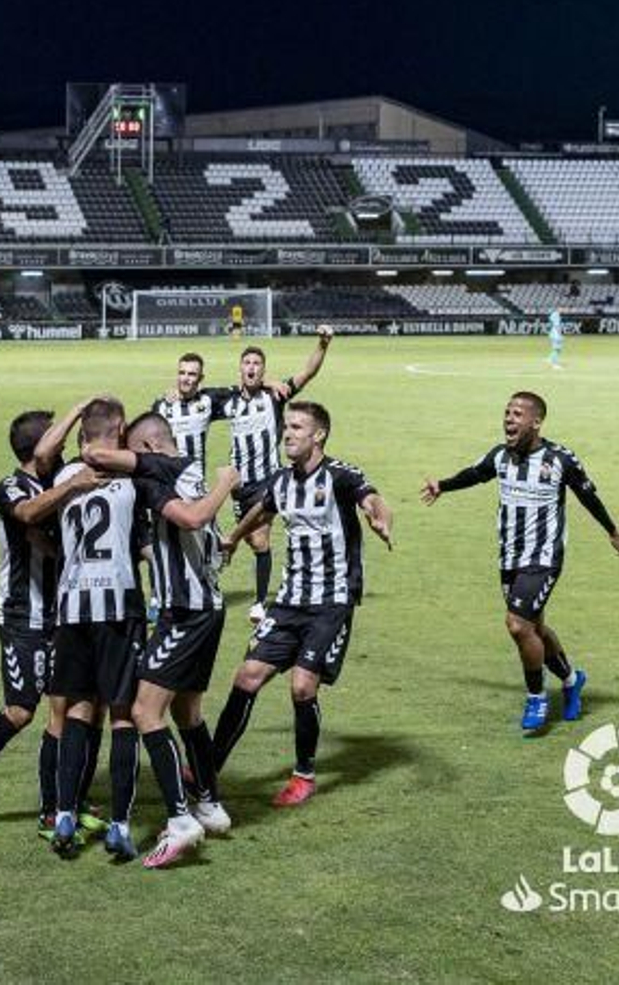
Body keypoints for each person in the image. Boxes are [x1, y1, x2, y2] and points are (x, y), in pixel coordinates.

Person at [211, 401, 392, 807]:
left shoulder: (342, 476)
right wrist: (235, 537)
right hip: (290, 601)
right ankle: (209, 764)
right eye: (286, 427)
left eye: (296, 427)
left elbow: (372, 500)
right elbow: (262, 509)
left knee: (301, 685)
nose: (287, 433)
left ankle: (304, 775)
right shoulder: (282, 480)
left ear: (319, 435)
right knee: (247, 676)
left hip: (332, 601)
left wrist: (381, 520)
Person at [82, 413, 240, 868]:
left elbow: (191, 518)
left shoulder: (155, 475)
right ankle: (209, 803)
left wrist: (225, 484)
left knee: (144, 711)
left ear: (147, 450)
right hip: (207, 607)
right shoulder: (188, 467)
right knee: (188, 712)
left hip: (184, 615)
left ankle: (180, 819)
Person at [421, 391, 619, 734]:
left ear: (536, 422)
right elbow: (475, 473)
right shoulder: (501, 457)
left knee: (517, 625)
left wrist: (612, 530)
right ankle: (572, 679)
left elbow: (587, 494)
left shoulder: (560, 459)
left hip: (544, 558)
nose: (509, 419)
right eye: (507, 413)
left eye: (517, 414)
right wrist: (442, 485)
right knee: (533, 629)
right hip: (510, 557)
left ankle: (536, 697)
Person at [0, 409, 101, 837]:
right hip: (20, 616)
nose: (62, 451)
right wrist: (71, 486)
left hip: (59, 615)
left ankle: (58, 806)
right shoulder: (10, 486)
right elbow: (28, 515)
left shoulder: (51, 484)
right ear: (39, 447)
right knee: (20, 710)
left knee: (64, 708)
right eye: (57, 443)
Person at [46, 398, 151, 862]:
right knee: (123, 715)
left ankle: (65, 812)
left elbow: (48, 453)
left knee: (79, 710)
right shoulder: (131, 480)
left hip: (71, 607)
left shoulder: (61, 478)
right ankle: (121, 825)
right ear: (121, 429)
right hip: (116, 606)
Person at [213, 326, 335, 623]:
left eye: (257, 364)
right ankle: (216, 572)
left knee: (260, 539)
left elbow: (308, 373)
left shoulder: (275, 396)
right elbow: (192, 398)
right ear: (240, 368)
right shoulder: (226, 399)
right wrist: (174, 392)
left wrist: (323, 343)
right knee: (245, 539)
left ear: (263, 369)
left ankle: (258, 602)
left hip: (269, 480)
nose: (252, 368)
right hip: (240, 484)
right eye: (247, 363)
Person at [149, 352, 228, 467]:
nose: (185, 379)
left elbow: (240, 392)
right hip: (169, 481)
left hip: (197, 481)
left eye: (191, 374)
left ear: (201, 378)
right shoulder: (161, 406)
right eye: (182, 373)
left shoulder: (208, 401)